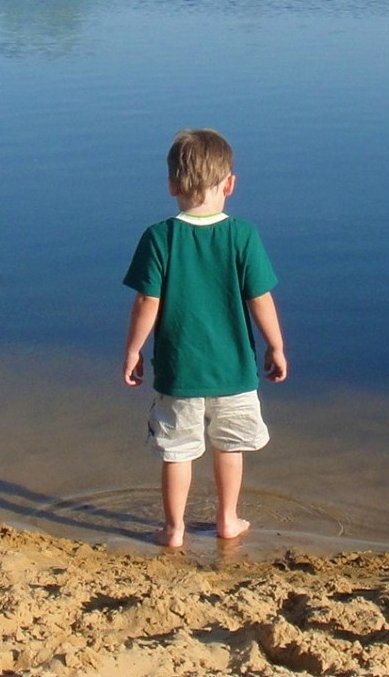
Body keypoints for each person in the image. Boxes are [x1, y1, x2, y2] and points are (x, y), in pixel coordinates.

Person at [122, 128, 288, 548]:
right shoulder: (242, 235)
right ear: (230, 183)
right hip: (234, 370)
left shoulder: (160, 237)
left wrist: (133, 349)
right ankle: (227, 520)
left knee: (177, 452)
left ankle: (174, 529)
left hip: (179, 372)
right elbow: (260, 298)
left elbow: (147, 300)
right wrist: (276, 345)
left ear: (172, 185)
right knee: (230, 448)